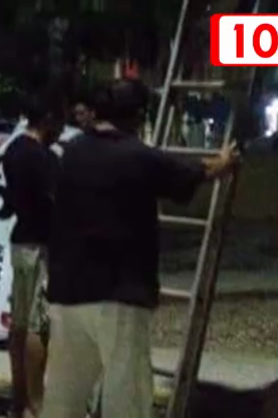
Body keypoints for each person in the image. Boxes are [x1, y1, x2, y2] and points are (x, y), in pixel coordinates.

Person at [42, 79, 239, 418]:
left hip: (67, 291)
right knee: (126, 396)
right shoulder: (138, 156)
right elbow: (191, 174)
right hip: (119, 293)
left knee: (63, 396)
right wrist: (223, 162)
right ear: (137, 116)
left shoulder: (71, 153)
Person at [2, 94, 64, 418]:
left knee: (19, 324)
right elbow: (57, 201)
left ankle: (18, 399)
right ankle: (36, 403)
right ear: (48, 119)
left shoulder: (12, 150)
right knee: (39, 327)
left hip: (20, 242)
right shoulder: (44, 158)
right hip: (42, 246)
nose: (62, 130)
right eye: (60, 122)